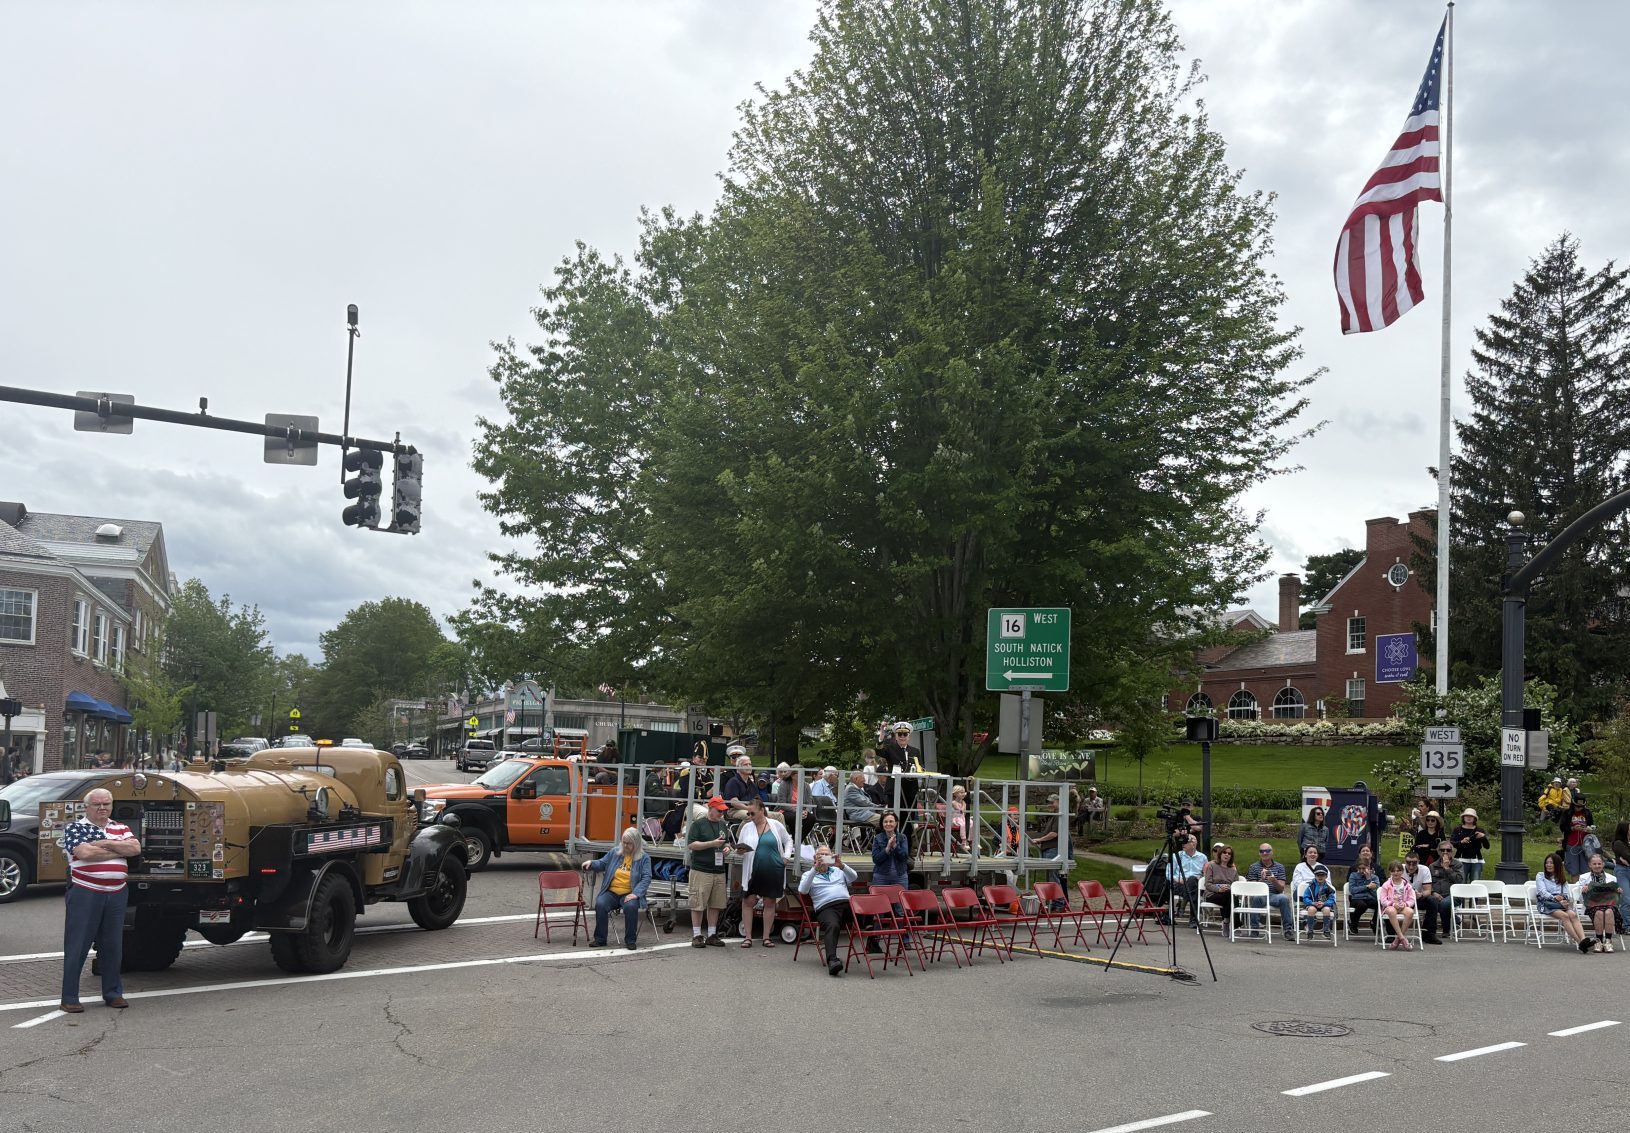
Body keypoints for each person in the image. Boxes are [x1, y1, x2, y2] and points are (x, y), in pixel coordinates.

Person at [60, 788, 141, 1012]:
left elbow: (135, 848)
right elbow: (85, 854)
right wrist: (118, 848)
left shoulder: (121, 827)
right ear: (87, 807)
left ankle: (113, 993)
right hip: (85, 892)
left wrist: (102, 844)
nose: (102, 808)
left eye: (106, 804)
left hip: (117, 892)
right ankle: (69, 998)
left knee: (113, 945)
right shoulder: (75, 828)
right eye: (97, 804)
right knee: (78, 945)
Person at [581, 826, 651, 950]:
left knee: (631, 907)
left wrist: (636, 894)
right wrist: (591, 863)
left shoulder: (644, 858)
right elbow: (602, 863)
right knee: (600, 904)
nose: (625, 845)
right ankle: (600, 939)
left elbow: (646, 877)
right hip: (611, 892)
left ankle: (630, 940)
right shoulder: (615, 852)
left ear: (636, 844)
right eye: (624, 842)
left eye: (629, 843)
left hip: (629, 893)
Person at [735, 798, 792, 948]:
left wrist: (786, 858)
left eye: (752, 813)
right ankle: (748, 937)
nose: (750, 816)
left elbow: (788, 840)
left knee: (769, 902)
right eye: (748, 813)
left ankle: (766, 937)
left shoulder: (775, 825)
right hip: (752, 870)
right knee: (748, 901)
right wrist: (740, 851)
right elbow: (740, 848)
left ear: (762, 810)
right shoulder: (746, 827)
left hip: (773, 869)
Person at [797, 844, 857, 976]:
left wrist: (841, 865)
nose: (824, 857)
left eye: (826, 855)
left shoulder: (837, 870)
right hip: (826, 907)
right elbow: (803, 890)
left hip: (846, 903)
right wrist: (814, 869)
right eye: (821, 855)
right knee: (833, 925)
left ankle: (872, 942)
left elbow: (854, 877)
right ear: (815, 858)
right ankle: (832, 960)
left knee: (868, 906)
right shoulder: (808, 874)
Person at [685, 796, 733, 948]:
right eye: (719, 811)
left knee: (716, 903)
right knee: (698, 903)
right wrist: (712, 844)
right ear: (710, 809)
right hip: (701, 869)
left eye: (722, 811)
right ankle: (696, 935)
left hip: (718, 869)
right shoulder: (698, 824)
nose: (721, 814)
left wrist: (727, 848)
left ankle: (712, 934)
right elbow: (691, 845)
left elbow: (726, 842)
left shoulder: (722, 824)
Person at [1535, 852, 1591, 953]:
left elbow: (1566, 894)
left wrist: (1563, 900)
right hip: (1546, 903)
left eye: (1551, 863)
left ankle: (1583, 939)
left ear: (1557, 865)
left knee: (1573, 915)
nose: (1548, 865)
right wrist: (1555, 898)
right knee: (1564, 916)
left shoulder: (1561, 879)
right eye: (1547, 863)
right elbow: (1542, 892)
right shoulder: (1540, 876)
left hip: (1560, 903)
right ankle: (1579, 942)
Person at [1246, 844, 1294, 937]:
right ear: (1259, 853)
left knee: (1284, 898)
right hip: (1259, 895)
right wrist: (1262, 880)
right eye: (1262, 851)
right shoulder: (1253, 867)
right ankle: (1254, 929)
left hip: (1274, 895)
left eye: (1267, 851)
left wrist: (1274, 881)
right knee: (1255, 898)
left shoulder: (1279, 867)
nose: (1264, 853)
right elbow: (1252, 888)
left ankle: (1288, 930)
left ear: (1272, 852)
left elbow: (1281, 888)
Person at [1580, 853, 1622, 953]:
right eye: (1594, 864)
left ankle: (1608, 941)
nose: (1597, 866)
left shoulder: (1612, 878)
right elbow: (1581, 898)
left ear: (1603, 864)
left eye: (1599, 863)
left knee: (1609, 912)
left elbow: (1616, 897)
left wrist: (1618, 891)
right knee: (1599, 912)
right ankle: (1598, 941)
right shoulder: (1583, 877)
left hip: (1609, 904)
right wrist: (1583, 890)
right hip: (1592, 905)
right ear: (1590, 865)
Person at [1029, 793, 1067, 902]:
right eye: (1049, 803)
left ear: (1059, 802)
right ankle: (1053, 902)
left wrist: (1040, 839)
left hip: (1053, 850)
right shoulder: (1055, 815)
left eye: (1052, 802)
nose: (1049, 805)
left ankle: (1058, 903)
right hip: (1049, 849)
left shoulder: (1059, 815)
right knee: (1051, 878)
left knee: (1053, 878)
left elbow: (1054, 834)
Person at [1422, 843, 1461, 945]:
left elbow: (1459, 881)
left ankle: (1446, 929)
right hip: (1436, 894)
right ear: (1438, 851)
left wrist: (1447, 869)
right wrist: (1433, 892)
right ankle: (1430, 931)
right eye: (1442, 850)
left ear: (1452, 852)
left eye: (1448, 850)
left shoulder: (1458, 865)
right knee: (1432, 901)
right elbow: (1428, 883)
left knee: (1444, 903)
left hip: (1453, 894)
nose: (1445, 852)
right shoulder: (1432, 866)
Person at [1167, 833, 1207, 926]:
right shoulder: (1176, 856)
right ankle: (1193, 920)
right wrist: (1178, 880)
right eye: (1182, 841)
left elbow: (1206, 874)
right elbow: (1168, 873)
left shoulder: (1203, 857)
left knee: (1192, 880)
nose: (1183, 844)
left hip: (1196, 884)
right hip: (1179, 884)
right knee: (1193, 889)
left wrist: (1200, 878)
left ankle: (1182, 905)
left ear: (1194, 844)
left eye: (1186, 842)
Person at [1378, 862, 1418, 950]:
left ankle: (1397, 939)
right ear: (1390, 872)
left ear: (1402, 871)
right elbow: (1383, 900)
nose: (1396, 873)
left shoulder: (1407, 885)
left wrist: (1405, 904)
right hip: (1390, 906)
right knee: (1391, 911)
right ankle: (1402, 938)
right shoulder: (1386, 885)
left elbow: (1412, 899)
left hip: (1403, 906)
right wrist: (1393, 904)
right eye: (1393, 871)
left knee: (1410, 912)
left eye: (1398, 871)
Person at [1449, 808, 1491, 882]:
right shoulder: (1457, 830)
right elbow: (1452, 843)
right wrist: (1461, 842)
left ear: (1474, 818)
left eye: (1471, 816)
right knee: (1461, 881)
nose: (1469, 818)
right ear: (1463, 817)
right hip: (1461, 858)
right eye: (1467, 816)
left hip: (1476, 860)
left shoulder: (1480, 830)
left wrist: (1483, 837)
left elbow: (1487, 846)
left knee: (1475, 882)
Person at [1346, 846, 1381, 935]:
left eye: (1364, 868)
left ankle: (1374, 922)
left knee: (1381, 904)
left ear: (1368, 867)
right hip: (1357, 899)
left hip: (1369, 898)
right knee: (1362, 905)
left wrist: (1368, 879)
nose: (1362, 871)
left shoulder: (1374, 877)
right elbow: (1353, 890)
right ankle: (1353, 923)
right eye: (1360, 868)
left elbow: (1376, 894)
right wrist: (1367, 886)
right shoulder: (1353, 875)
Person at [722, 748, 760, 820]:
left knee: (778, 815)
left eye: (750, 764)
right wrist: (748, 808)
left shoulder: (751, 783)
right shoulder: (732, 781)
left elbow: (757, 799)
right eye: (745, 764)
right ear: (738, 767)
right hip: (735, 810)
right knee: (752, 816)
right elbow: (734, 802)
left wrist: (760, 808)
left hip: (751, 809)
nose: (748, 766)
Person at [1202, 844, 1238, 918]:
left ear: (1231, 856)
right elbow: (1207, 884)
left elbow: (1236, 885)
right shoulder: (1212, 866)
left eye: (1229, 853)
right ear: (1220, 854)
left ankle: (1226, 921)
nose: (1226, 855)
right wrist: (1219, 889)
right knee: (1231, 899)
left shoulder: (1233, 869)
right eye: (1224, 852)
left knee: (1229, 897)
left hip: (1227, 894)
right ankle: (1232, 922)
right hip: (1212, 894)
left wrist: (1228, 887)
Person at [1300, 865, 1337, 939]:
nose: (1320, 877)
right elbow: (1305, 898)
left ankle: (1326, 930)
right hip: (1313, 904)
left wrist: (1324, 903)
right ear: (1315, 876)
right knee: (1311, 909)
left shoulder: (1329, 888)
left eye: (1322, 875)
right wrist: (1312, 903)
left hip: (1324, 905)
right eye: (1318, 875)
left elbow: (1331, 900)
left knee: (1327, 910)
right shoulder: (1310, 887)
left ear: (1326, 876)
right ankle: (1310, 931)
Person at [1562, 796, 1594, 878]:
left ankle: (1584, 886)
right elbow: (1562, 827)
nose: (1579, 808)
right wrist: (1573, 828)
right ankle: (1575, 885)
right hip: (1571, 844)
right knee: (1574, 871)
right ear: (1573, 804)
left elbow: (1592, 826)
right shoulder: (1567, 813)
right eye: (1577, 806)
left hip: (1585, 845)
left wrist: (1589, 829)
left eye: (1581, 806)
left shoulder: (1587, 813)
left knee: (1585, 871)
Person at [1612, 821, 1630, 936]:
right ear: (1624, 830)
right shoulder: (1618, 843)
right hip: (1623, 871)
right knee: (1626, 899)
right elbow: (1628, 856)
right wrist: (1620, 860)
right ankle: (1627, 925)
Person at [949, 784, 970, 851]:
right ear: (955, 794)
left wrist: (964, 803)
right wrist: (964, 804)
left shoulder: (963, 802)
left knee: (972, 823)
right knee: (963, 824)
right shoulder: (953, 802)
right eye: (961, 792)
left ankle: (971, 840)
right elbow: (961, 810)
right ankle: (964, 841)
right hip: (955, 819)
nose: (963, 794)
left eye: (964, 792)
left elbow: (964, 813)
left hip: (961, 818)